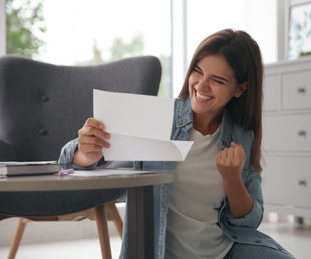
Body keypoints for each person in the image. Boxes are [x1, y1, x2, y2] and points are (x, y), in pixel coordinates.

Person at [59, 29, 295, 259]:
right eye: (197, 71)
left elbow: (249, 221)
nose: (201, 86)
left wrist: (232, 178)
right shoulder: (158, 118)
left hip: (226, 250)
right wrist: (85, 153)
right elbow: (70, 164)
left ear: (239, 89)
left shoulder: (243, 136)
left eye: (218, 80)